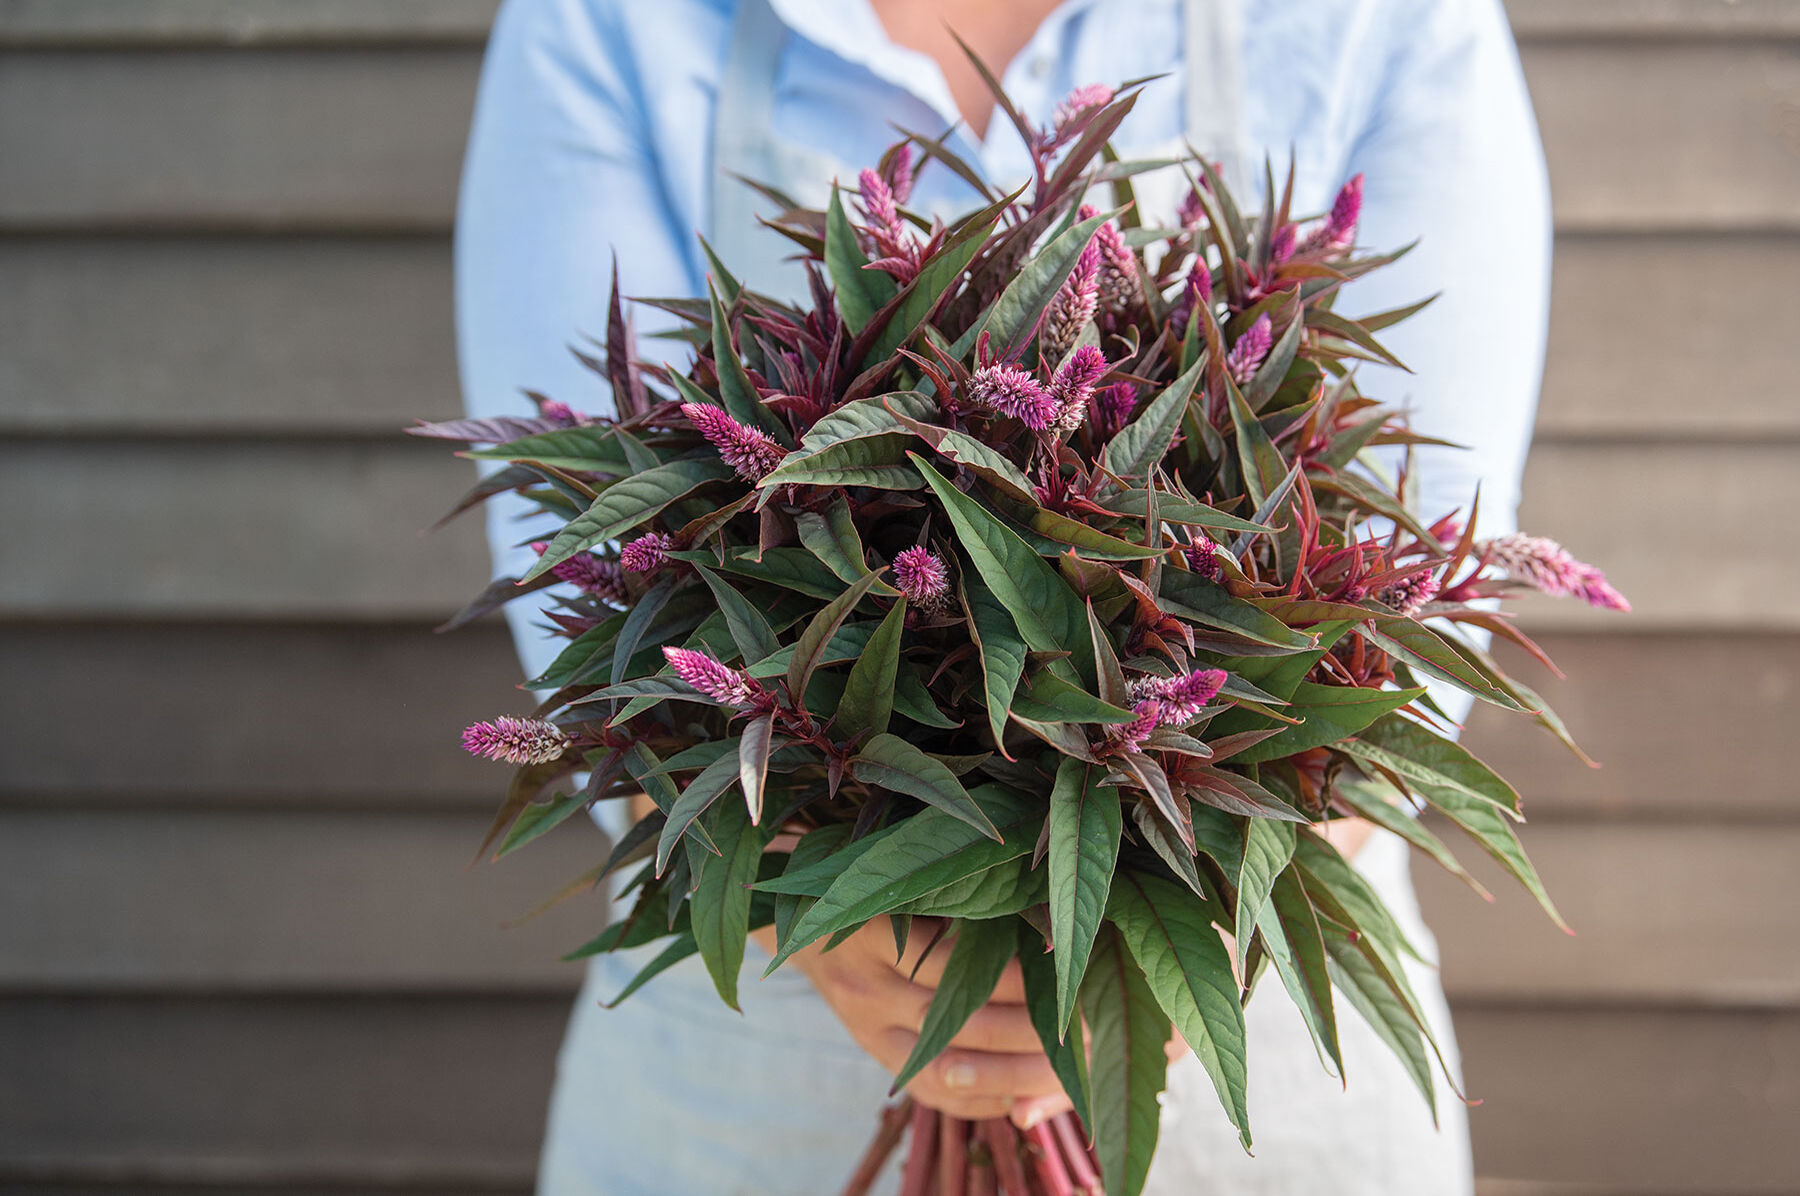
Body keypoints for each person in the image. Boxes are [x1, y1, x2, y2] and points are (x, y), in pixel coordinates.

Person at [454, 0, 1551, 1191]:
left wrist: (1159, 918)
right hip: (755, 1039)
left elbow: (1414, 576)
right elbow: (595, 570)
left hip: (1258, 991)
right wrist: (810, 912)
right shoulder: (604, 18)